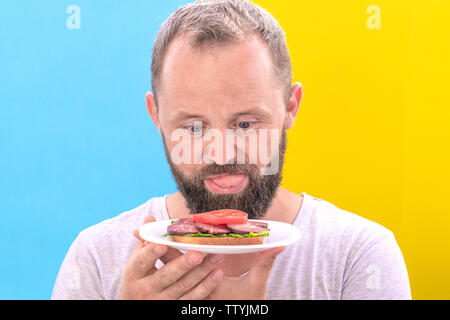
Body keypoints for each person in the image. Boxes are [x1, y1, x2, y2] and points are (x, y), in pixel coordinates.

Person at [52, 0, 411, 300]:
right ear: (156, 116)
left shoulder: (358, 255)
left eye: (245, 124)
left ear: (290, 107)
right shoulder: (96, 258)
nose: (222, 154)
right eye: (193, 126)